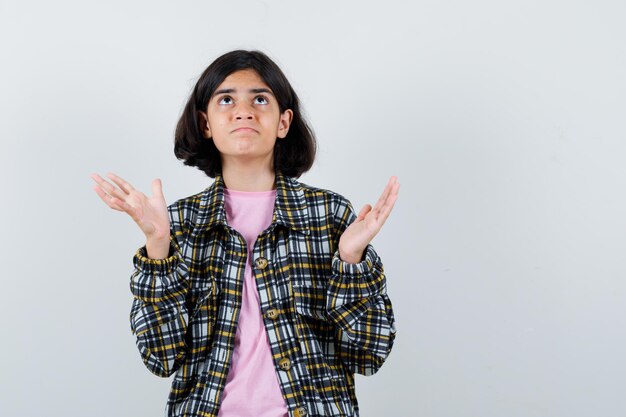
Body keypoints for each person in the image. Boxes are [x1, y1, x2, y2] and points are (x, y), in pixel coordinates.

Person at [90, 50, 400, 417]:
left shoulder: (330, 216)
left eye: (260, 98)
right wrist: (158, 249)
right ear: (205, 123)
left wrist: (350, 261)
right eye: (226, 99)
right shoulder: (181, 223)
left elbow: (369, 353)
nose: (243, 111)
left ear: (283, 121)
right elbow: (160, 357)